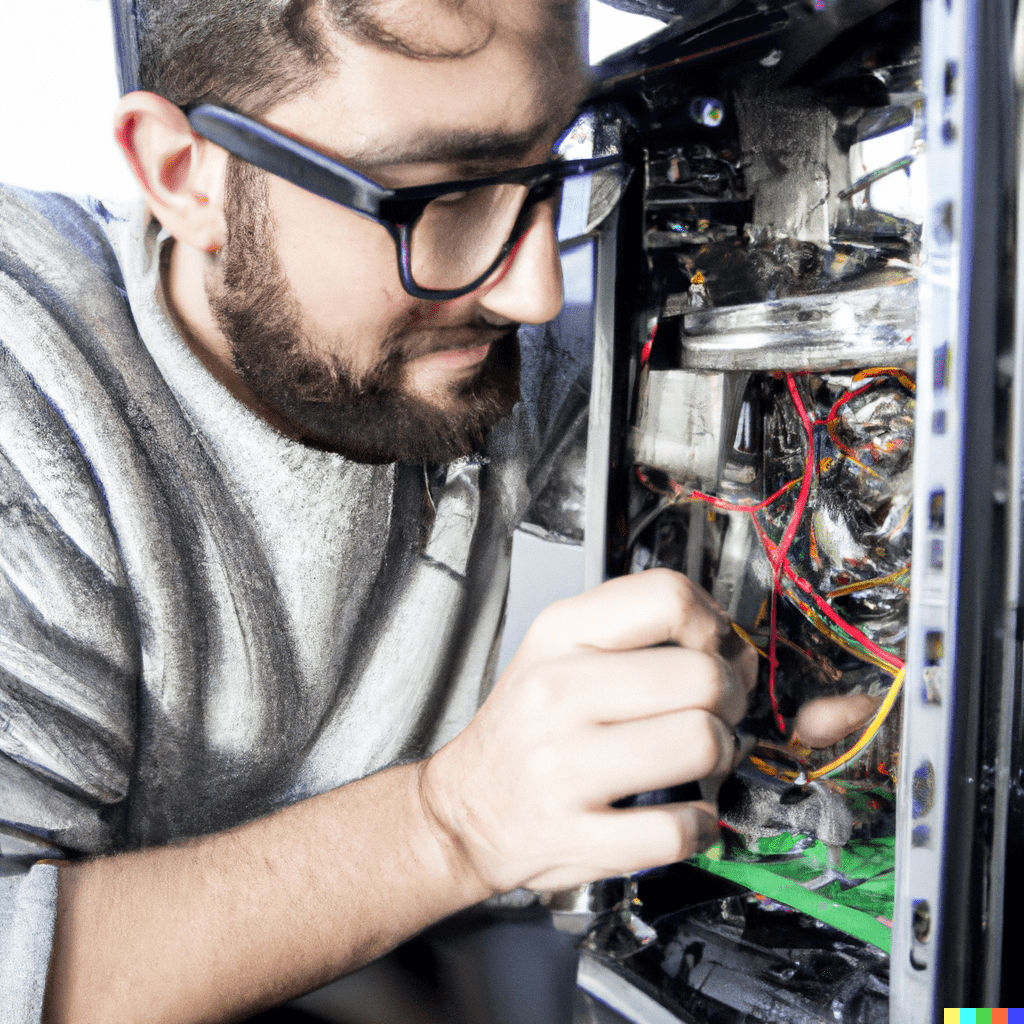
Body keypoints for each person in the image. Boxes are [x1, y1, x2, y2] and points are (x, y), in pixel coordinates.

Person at [0, 1, 865, 1021]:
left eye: (554, 170)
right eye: (442, 194)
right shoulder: (33, 389)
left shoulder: (474, 364)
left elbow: (782, 476)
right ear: (184, 174)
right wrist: (451, 824)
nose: (538, 293)